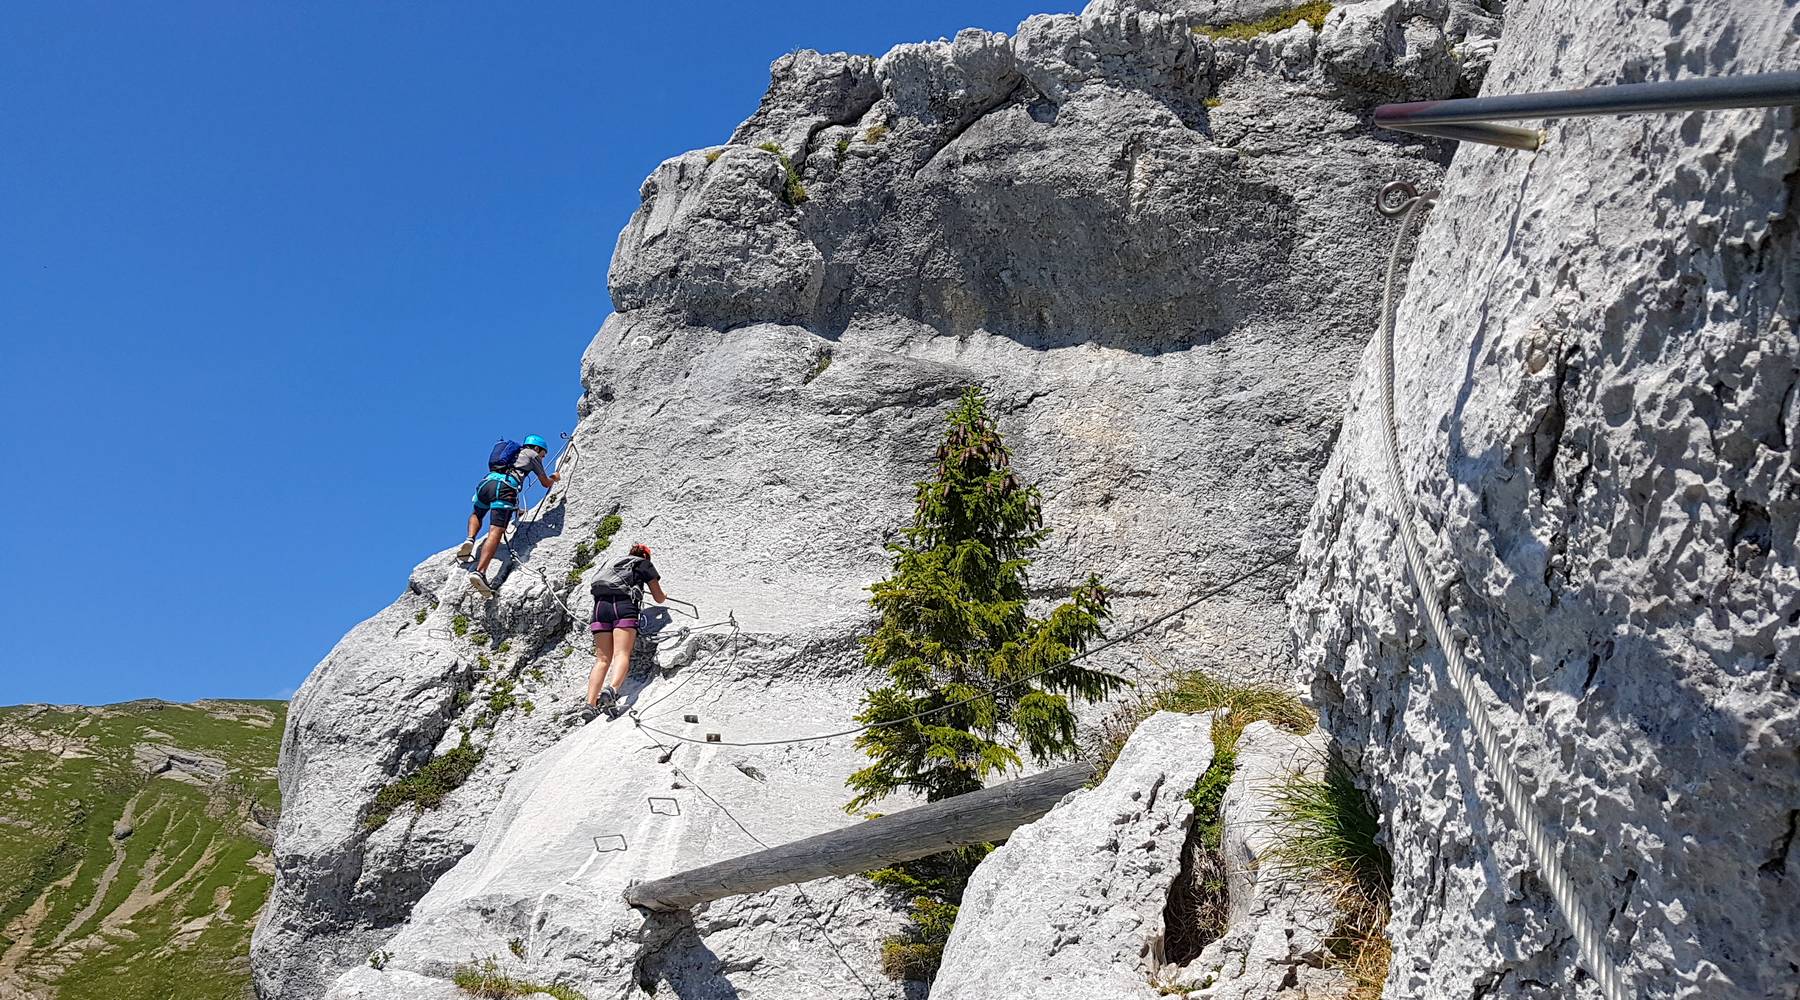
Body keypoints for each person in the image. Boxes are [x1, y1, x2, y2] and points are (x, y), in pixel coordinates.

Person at [461, 435, 559, 596]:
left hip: (486, 483)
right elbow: (545, 483)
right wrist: (555, 477)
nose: (542, 457)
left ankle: (470, 539)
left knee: (477, 513)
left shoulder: (510, 455)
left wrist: (517, 510)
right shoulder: (532, 454)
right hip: (505, 488)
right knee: (496, 531)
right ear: (537, 448)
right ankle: (480, 572)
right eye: (543, 454)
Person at [585, 543, 667, 719]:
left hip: (600, 608)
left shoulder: (613, 565)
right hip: (622, 606)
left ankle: (590, 705)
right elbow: (659, 598)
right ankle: (612, 690)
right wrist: (664, 596)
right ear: (646, 556)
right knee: (621, 653)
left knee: (602, 659)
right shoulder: (643, 564)